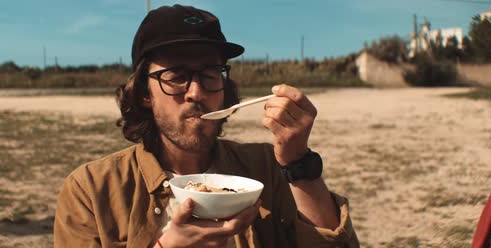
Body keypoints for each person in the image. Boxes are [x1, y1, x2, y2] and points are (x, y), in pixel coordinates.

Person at [54, 4, 358, 247]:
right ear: (144, 93)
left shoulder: (266, 169)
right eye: (176, 75)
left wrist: (298, 162)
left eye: (210, 73)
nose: (196, 92)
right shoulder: (92, 190)